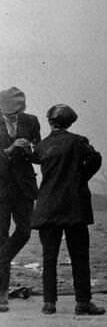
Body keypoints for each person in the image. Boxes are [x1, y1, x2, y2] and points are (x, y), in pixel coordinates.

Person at [31, 104, 104, 315]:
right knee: (80, 256)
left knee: (49, 257)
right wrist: (80, 178)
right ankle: (83, 303)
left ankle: (49, 303)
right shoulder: (78, 142)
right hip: (74, 207)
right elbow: (95, 158)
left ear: (50, 121)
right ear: (70, 121)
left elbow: (33, 158)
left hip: (48, 207)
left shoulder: (42, 146)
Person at [0, 86, 40, 312]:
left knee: (24, 231)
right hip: (1, 189)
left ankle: (1, 259)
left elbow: (38, 154)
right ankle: (1, 296)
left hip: (24, 188)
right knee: (1, 236)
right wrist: (10, 148)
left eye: (17, 114)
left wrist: (29, 150)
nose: (14, 118)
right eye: (9, 115)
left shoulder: (32, 121)